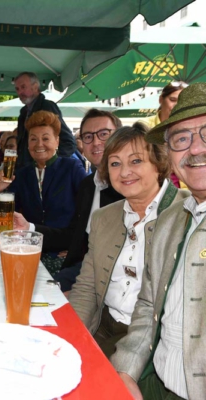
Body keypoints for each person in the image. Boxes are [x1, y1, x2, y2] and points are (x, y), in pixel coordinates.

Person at [111, 83, 206, 400]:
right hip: (155, 384)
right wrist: (124, 369)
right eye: (182, 138)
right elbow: (149, 305)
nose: (195, 148)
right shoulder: (169, 220)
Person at [69, 123, 189, 359]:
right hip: (103, 328)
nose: (124, 172)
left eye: (135, 161)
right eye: (115, 163)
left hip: (160, 343)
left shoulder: (187, 214)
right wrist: (72, 337)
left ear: (159, 162)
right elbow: (86, 287)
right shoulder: (103, 217)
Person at [14, 109, 124, 291]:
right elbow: (78, 230)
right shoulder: (91, 184)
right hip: (65, 259)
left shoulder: (74, 169)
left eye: (104, 134)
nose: (96, 142)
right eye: (88, 136)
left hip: (85, 270)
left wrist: (74, 249)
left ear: (57, 141)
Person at [0, 110, 86, 275]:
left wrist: (78, 247)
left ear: (57, 141)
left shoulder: (72, 169)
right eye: (33, 139)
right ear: (27, 145)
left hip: (63, 255)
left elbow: (87, 213)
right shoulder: (22, 174)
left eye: (45, 138)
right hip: (30, 251)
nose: (39, 144)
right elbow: (6, 216)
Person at [14, 72, 76, 169]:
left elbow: (69, 143)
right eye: (17, 89)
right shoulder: (23, 113)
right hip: (27, 174)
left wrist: (50, 165)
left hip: (41, 174)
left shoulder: (47, 107)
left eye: (23, 87)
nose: (20, 92)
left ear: (35, 87)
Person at [140, 81, 189, 189]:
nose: (177, 105)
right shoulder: (144, 127)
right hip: (155, 187)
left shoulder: (190, 126)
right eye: (173, 100)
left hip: (188, 188)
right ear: (161, 99)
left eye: (181, 101)